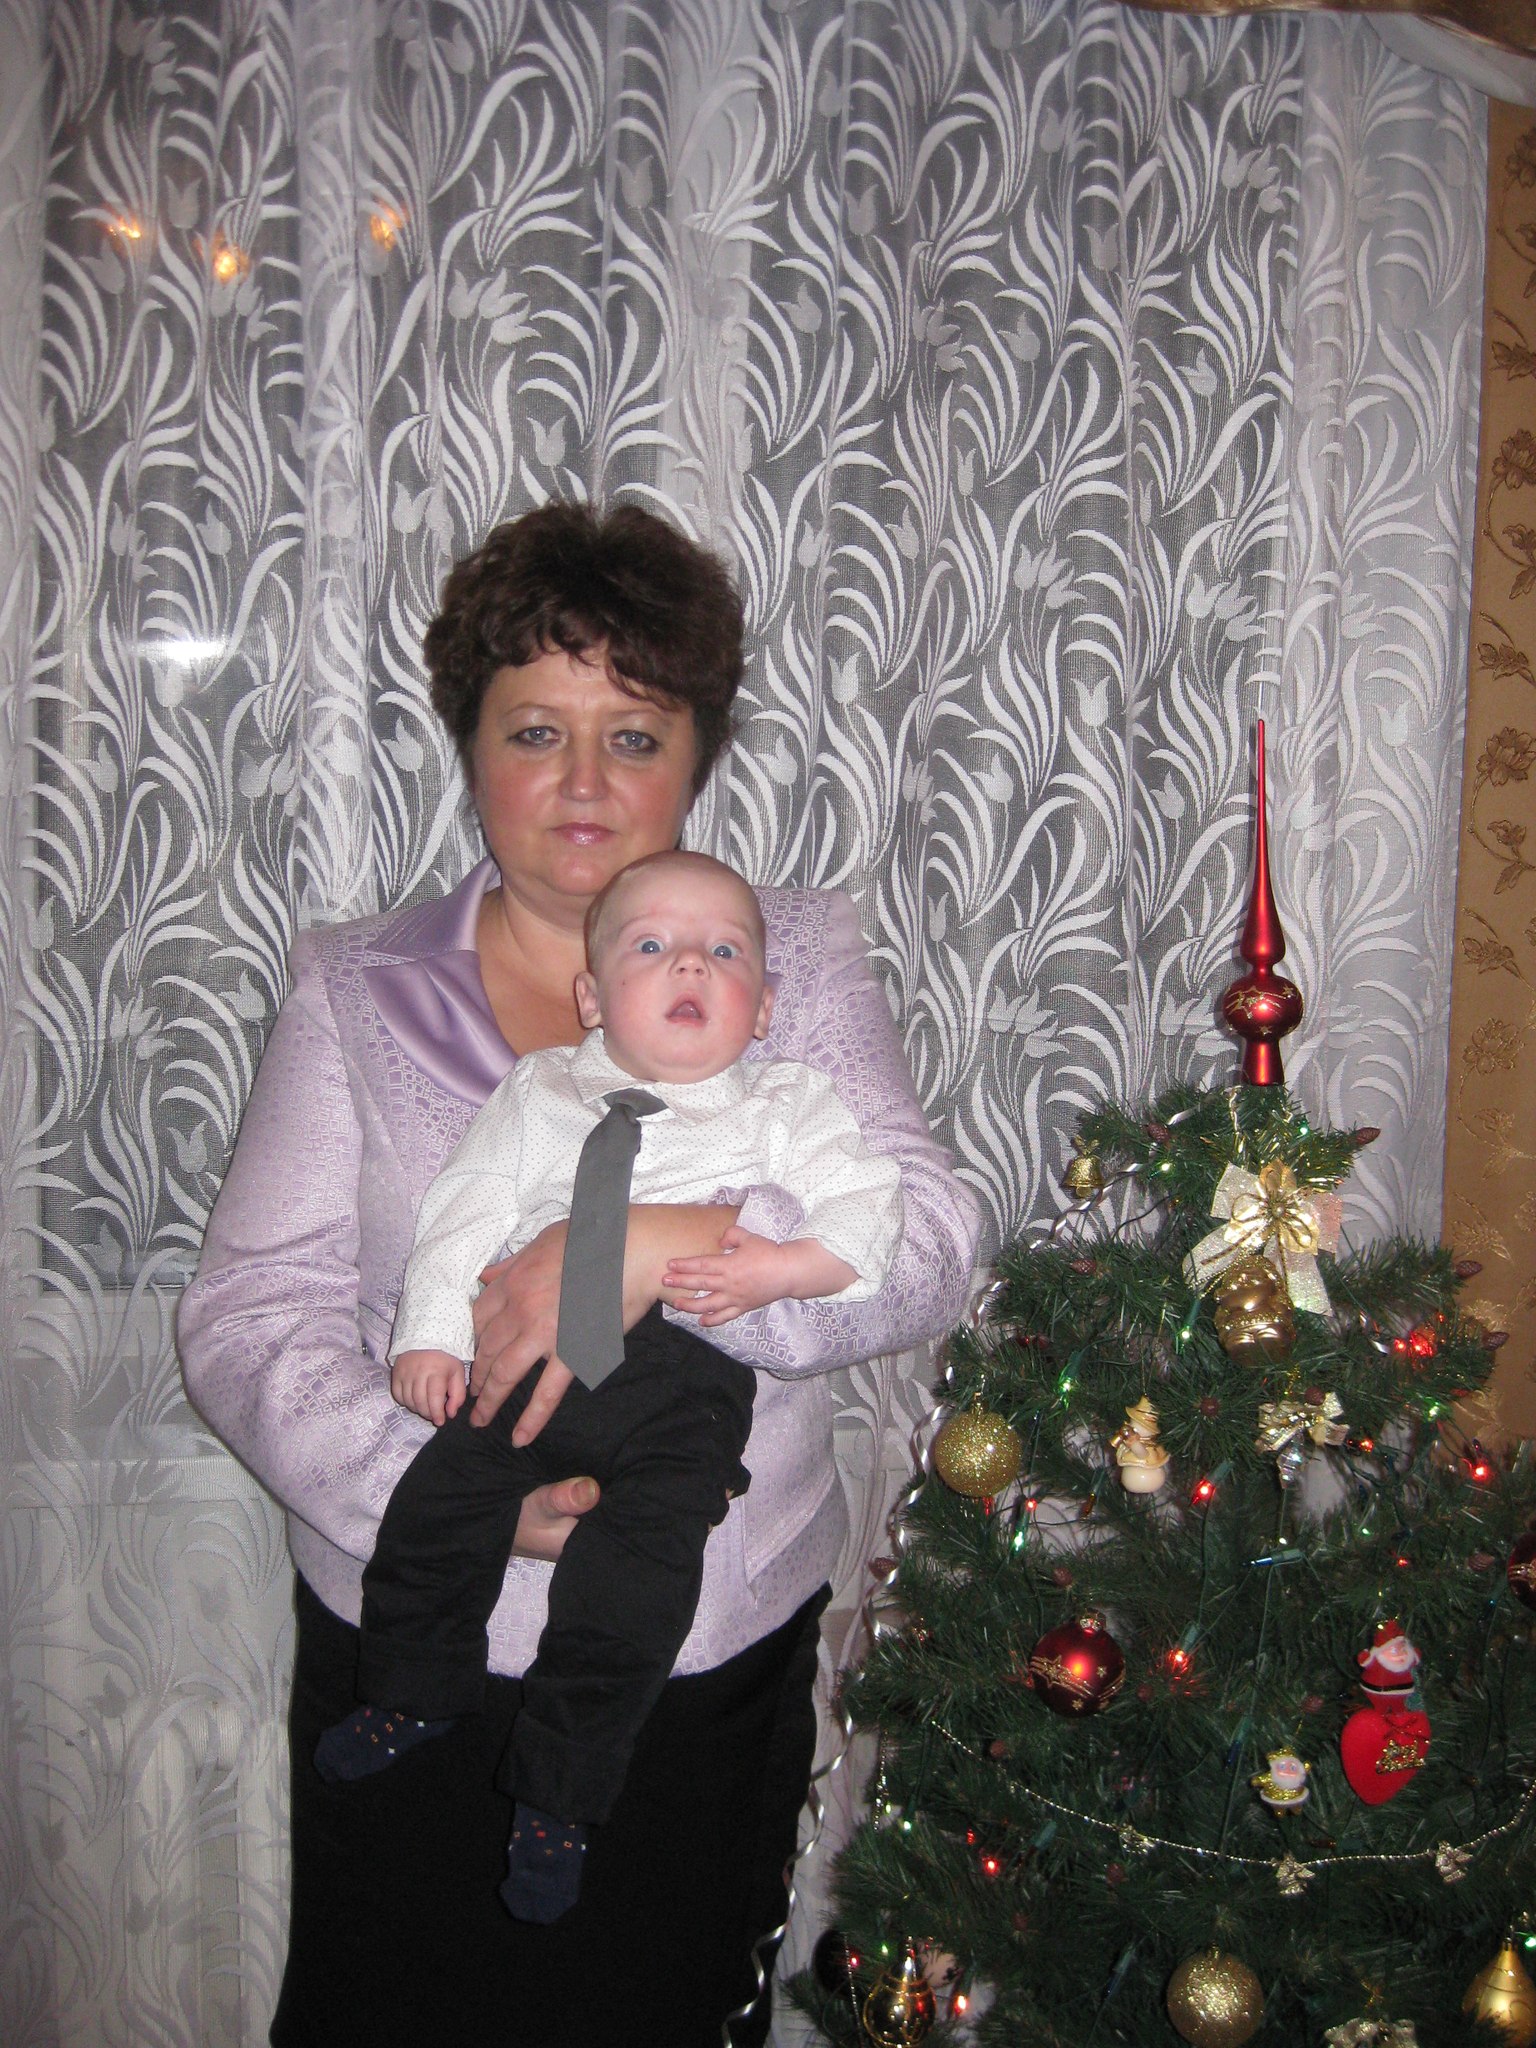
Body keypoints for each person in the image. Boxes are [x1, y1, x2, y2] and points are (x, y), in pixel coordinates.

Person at [177, 500, 980, 2048]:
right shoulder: (359, 985)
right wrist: (450, 1494)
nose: (586, 783)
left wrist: (650, 1250)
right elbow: (248, 1317)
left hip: (700, 1659)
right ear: (471, 746)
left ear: (699, 758)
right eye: (537, 731)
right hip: (415, 1650)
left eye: (637, 735)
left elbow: (929, 1244)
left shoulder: (785, 959)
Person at [315, 849, 903, 1930]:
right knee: (437, 1503)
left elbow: (870, 1206)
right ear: (591, 998)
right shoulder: (539, 1090)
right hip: (526, 1359)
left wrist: (780, 1265)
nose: (691, 964)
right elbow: (464, 1207)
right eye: (652, 946)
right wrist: (430, 1335)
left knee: (635, 1586)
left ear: (765, 1006)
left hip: (684, 1379)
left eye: (725, 951)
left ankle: (561, 1796)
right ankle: (413, 1687)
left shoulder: (785, 1102)